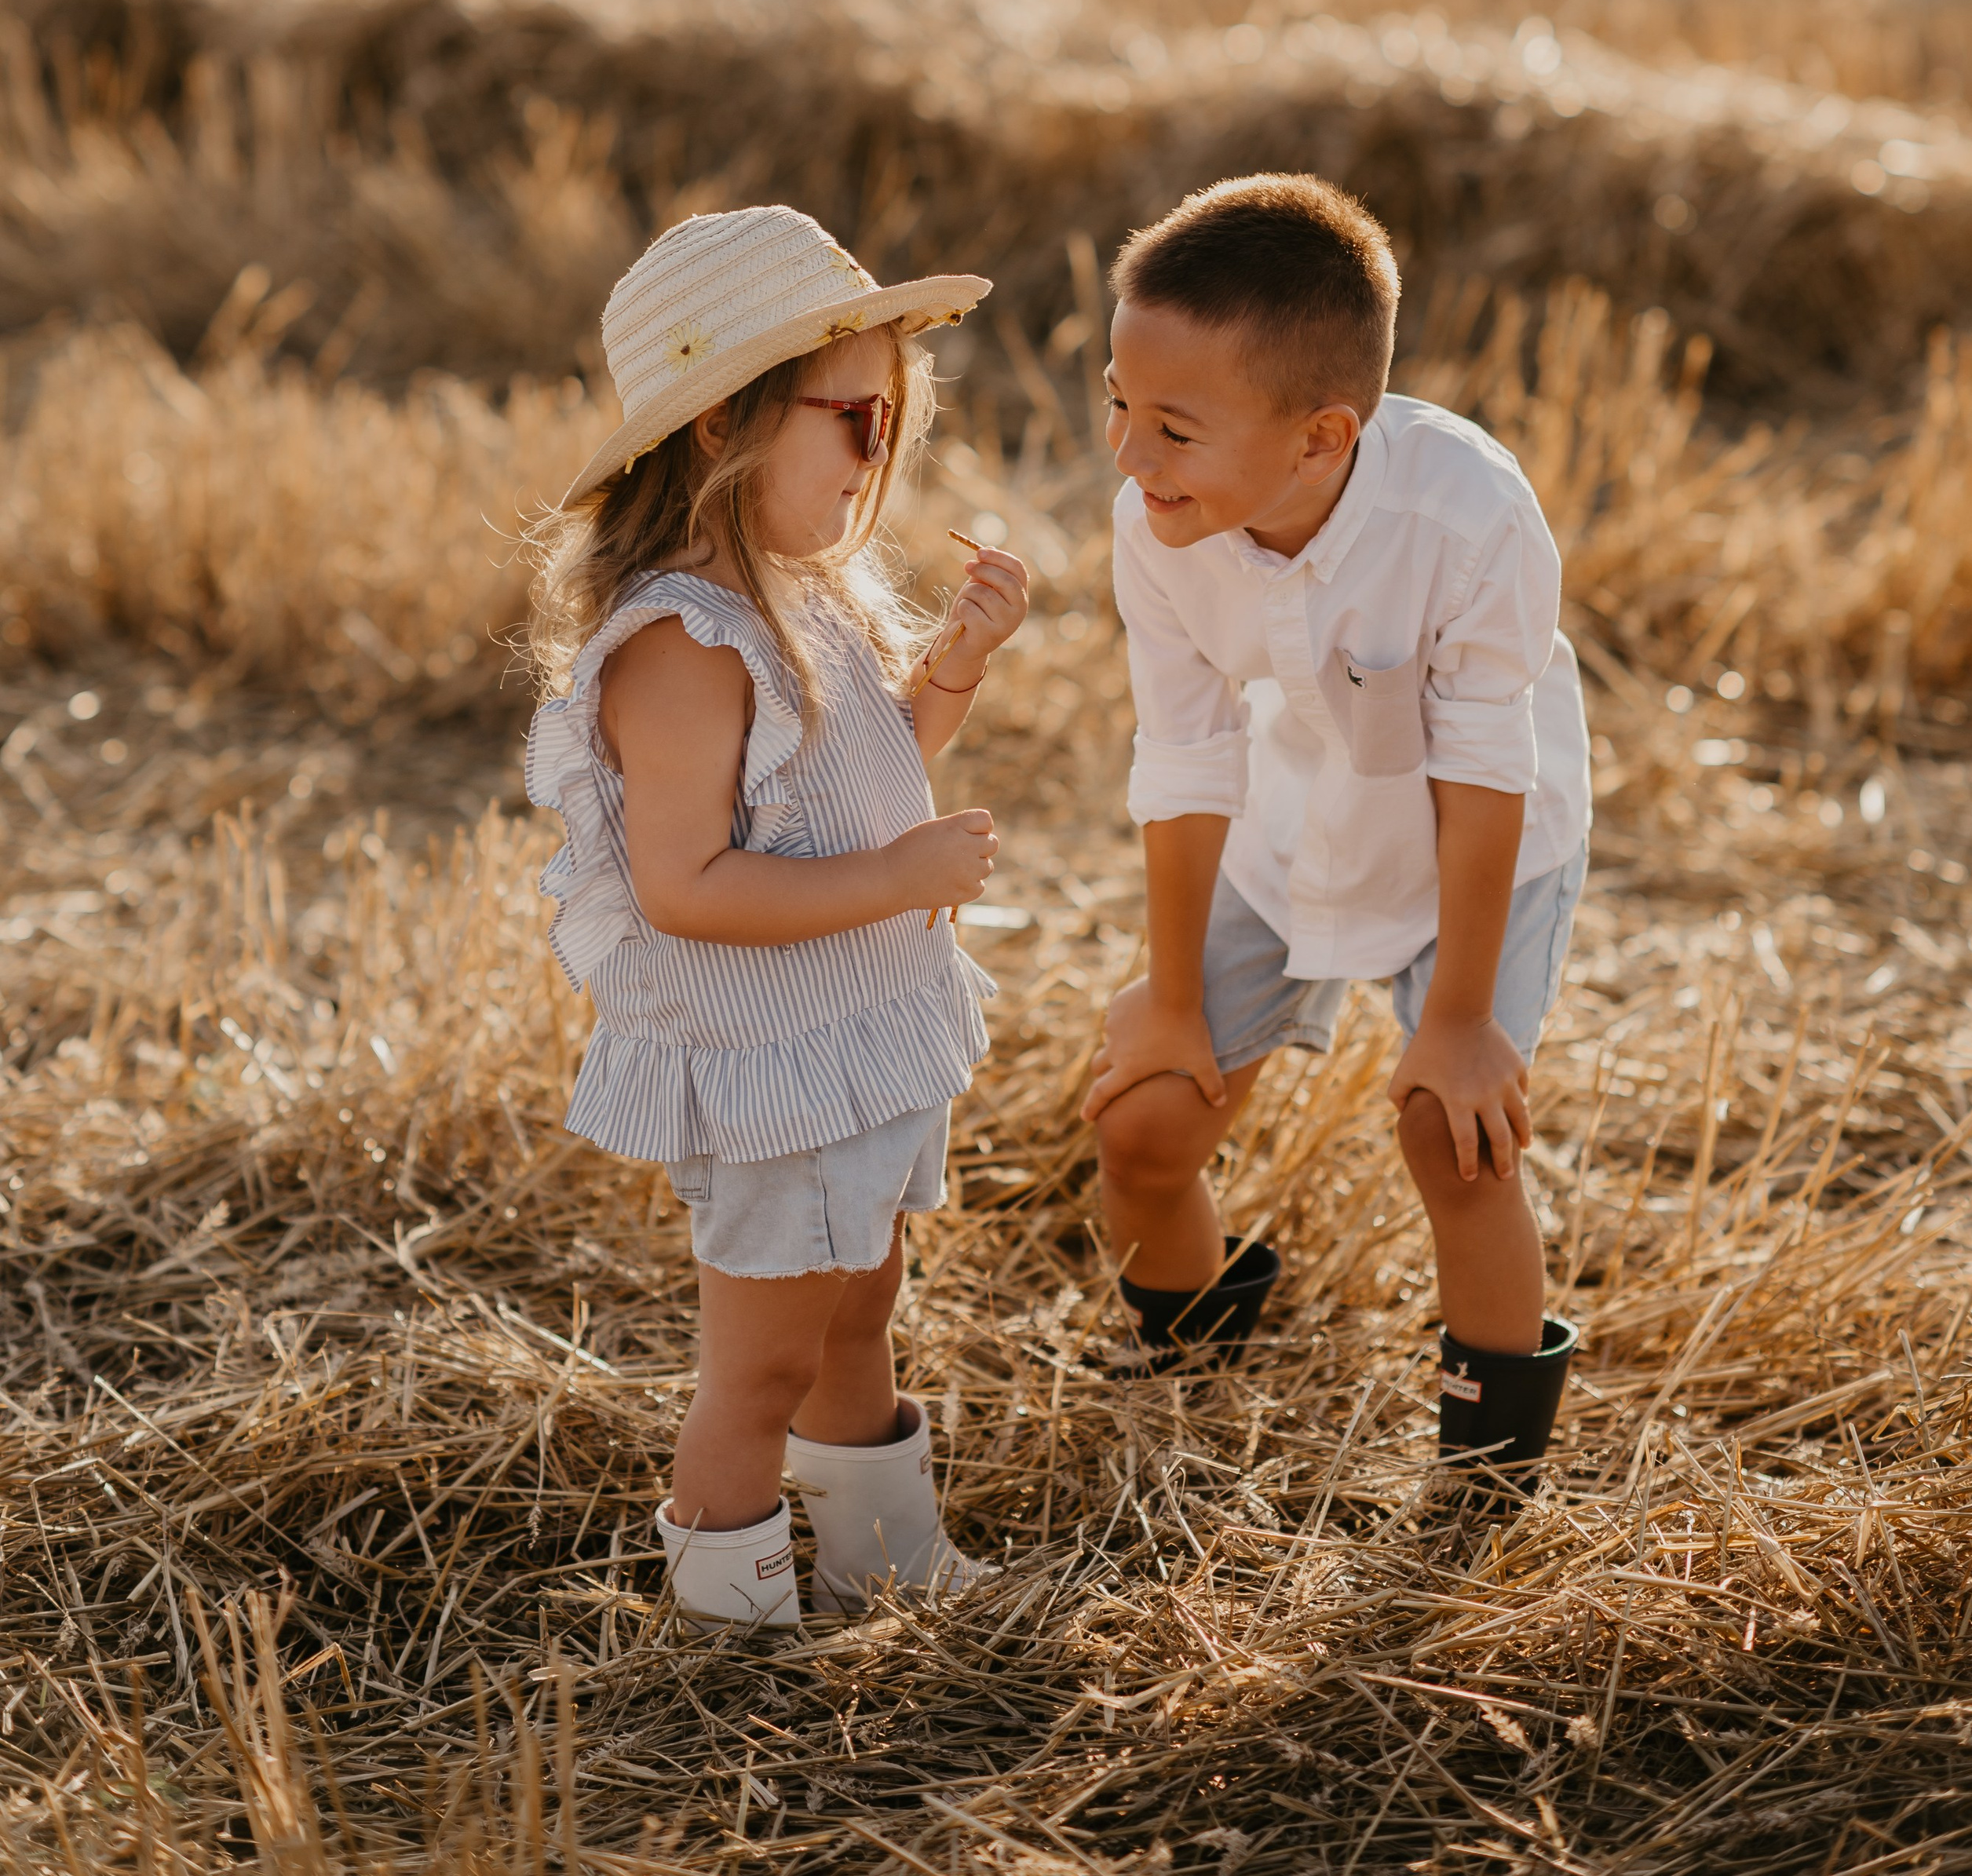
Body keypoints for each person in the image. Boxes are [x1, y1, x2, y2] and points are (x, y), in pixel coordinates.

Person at [527, 205, 1029, 1626]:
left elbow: (850, 790)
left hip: (852, 1032)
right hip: (776, 1068)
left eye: (893, 423)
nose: (880, 459)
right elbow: (687, 885)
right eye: (855, 422)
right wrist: (898, 882)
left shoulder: (806, 596)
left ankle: (884, 1560)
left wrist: (952, 672)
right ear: (721, 427)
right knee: (758, 1369)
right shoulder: (684, 644)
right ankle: (727, 1625)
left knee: (861, 1307)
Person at [1083, 173, 1590, 1505]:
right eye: (1117, 405)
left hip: (1485, 839)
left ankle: (1486, 1484)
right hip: (1292, 812)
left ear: (1321, 439)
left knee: (1450, 1134)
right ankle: (1189, 1371)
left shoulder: (1468, 514)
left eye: (1173, 429)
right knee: (1145, 1121)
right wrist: (1172, 997)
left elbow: (1486, 763)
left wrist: (1461, 1021)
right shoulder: (1159, 524)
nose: (1129, 457)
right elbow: (1187, 753)